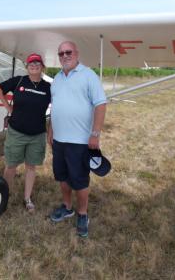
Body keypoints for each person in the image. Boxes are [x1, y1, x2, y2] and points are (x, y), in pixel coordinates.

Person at [47, 41, 107, 238]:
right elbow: (55, 107)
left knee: (80, 180)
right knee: (63, 177)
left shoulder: (88, 75)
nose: (64, 56)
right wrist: (50, 130)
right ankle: (67, 207)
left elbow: (100, 105)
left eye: (68, 52)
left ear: (76, 53)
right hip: (59, 141)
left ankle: (82, 213)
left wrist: (95, 133)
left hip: (80, 141)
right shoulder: (56, 79)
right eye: (61, 53)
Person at [0, 53, 51, 213]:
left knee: (31, 166)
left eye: (37, 63)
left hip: (37, 134)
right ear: (27, 67)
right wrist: (8, 107)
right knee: (11, 165)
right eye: (31, 63)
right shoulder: (19, 81)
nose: (34, 65)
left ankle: (27, 198)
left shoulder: (48, 87)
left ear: (42, 67)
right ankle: (3, 195)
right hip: (16, 132)